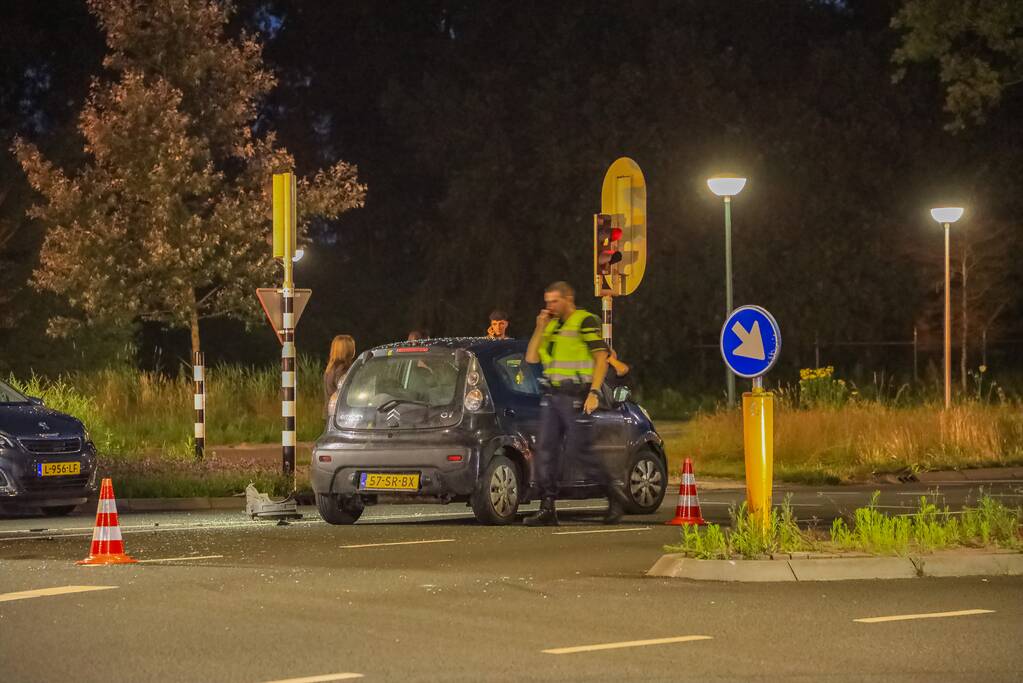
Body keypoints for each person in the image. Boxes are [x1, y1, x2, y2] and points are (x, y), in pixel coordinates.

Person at [523, 281, 629, 526]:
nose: (550, 306)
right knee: (545, 452)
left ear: (568, 299)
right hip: (551, 396)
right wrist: (539, 328)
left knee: (578, 451)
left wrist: (594, 392)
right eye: (547, 302)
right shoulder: (551, 326)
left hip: (575, 395)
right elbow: (531, 357)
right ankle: (547, 507)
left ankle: (614, 494)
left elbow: (601, 358)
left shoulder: (585, 321)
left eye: (554, 301)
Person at [323, 335, 356, 418]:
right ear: (347, 351)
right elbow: (346, 392)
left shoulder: (330, 368)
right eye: (352, 347)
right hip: (341, 414)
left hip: (330, 412)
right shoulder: (343, 370)